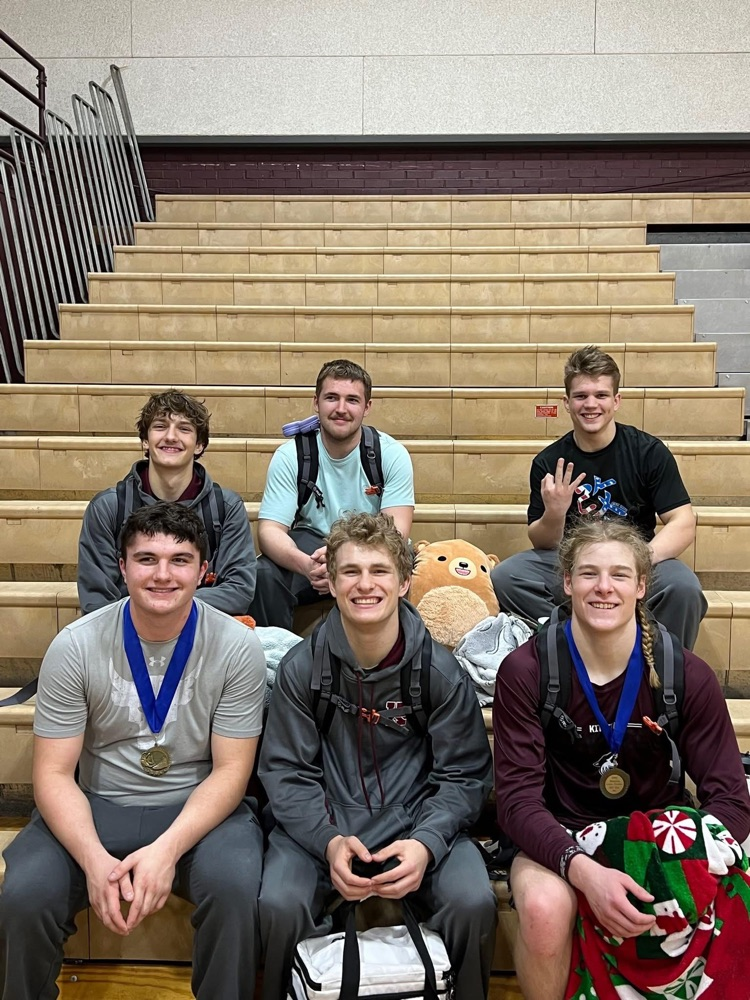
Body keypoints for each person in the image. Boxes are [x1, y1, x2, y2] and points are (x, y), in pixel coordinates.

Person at [0, 503, 266, 1000]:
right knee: (24, 895)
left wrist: (167, 850)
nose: (163, 574)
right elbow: (54, 775)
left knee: (236, 891)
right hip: (97, 805)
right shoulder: (75, 646)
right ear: (122, 567)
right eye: (146, 559)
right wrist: (94, 861)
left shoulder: (236, 647)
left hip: (197, 810)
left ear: (204, 570)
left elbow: (232, 771)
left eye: (180, 560)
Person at [493, 517, 750, 1000]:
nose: (604, 588)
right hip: (561, 837)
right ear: (567, 583)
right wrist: (585, 871)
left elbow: (732, 800)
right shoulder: (527, 671)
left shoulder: (684, 673)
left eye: (619, 575)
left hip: (660, 835)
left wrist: (676, 864)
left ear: (642, 586)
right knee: (545, 909)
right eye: (589, 574)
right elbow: (517, 805)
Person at [258, 511, 496, 999]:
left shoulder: (441, 674)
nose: (365, 585)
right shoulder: (302, 669)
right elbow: (286, 773)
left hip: (416, 826)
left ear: (405, 580)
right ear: (332, 581)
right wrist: (326, 840)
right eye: (350, 571)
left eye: (379, 571)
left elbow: (465, 777)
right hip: (319, 830)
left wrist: (427, 842)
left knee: (473, 902)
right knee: (278, 904)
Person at [491, 345, 706, 649]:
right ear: (566, 403)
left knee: (684, 587)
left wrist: (639, 561)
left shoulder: (648, 452)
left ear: (616, 401)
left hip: (638, 554)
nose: (590, 404)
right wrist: (555, 512)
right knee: (507, 577)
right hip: (575, 560)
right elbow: (541, 541)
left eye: (601, 395)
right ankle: (574, 645)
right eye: (581, 396)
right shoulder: (548, 461)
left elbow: (683, 521)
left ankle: (664, 668)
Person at [248, 359, 414, 629]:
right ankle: (275, 658)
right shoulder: (291, 455)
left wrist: (346, 558)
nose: (341, 409)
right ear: (316, 402)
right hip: (312, 549)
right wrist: (306, 566)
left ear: (367, 407)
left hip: (372, 544)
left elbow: (396, 531)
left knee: (407, 571)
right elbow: (269, 532)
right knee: (263, 575)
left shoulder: (391, 454)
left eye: (352, 400)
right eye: (331, 398)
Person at [77, 388, 257, 616]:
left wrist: (163, 602)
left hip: (202, 633)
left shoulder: (227, 507)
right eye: (160, 426)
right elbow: (96, 601)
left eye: (184, 429)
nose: (171, 436)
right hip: (126, 636)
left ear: (199, 445)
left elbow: (239, 591)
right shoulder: (107, 508)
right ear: (145, 440)